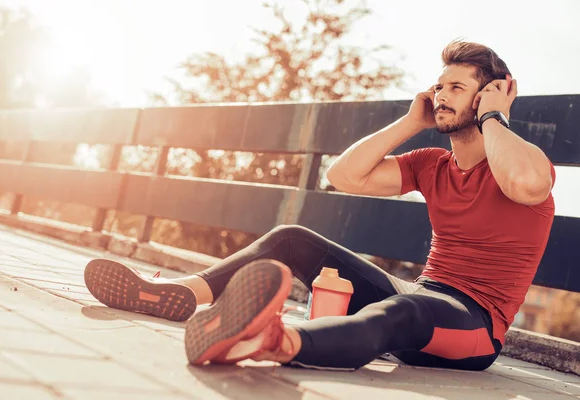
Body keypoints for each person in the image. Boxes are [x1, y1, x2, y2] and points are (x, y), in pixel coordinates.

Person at [84, 40, 555, 371]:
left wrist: (495, 115)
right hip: (420, 291)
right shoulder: (431, 163)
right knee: (292, 240)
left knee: (402, 313)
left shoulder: (524, 163)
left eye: (456, 87)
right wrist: (410, 122)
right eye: (439, 85)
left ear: (491, 94)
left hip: (472, 326)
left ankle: (274, 342)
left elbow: (527, 185)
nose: (439, 95)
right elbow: (343, 176)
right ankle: (177, 296)